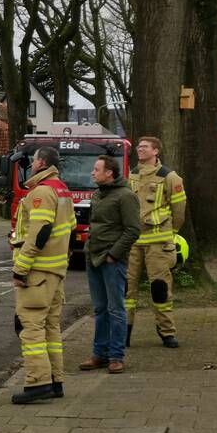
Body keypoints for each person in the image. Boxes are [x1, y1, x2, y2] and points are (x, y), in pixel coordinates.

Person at [10, 146, 75, 404]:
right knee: (51, 327)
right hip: (55, 271)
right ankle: (56, 381)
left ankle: (38, 382)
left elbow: (40, 232)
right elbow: (68, 229)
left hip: (38, 272)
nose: (32, 162)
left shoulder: (41, 192)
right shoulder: (62, 190)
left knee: (31, 327)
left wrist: (20, 268)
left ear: (41, 163)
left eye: (35, 159)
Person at [80, 155, 140, 374]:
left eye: (96, 169)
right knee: (100, 309)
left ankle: (116, 356)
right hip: (93, 257)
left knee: (116, 309)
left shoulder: (126, 196)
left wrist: (114, 254)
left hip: (111, 261)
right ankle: (99, 354)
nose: (92, 173)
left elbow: (133, 229)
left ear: (109, 173)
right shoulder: (97, 194)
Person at [126, 137, 187, 348]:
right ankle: (124, 330)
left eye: (144, 147)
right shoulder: (131, 174)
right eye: (139, 147)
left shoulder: (170, 177)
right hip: (132, 242)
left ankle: (167, 332)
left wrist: (171, 232)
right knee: (126, 289)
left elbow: (179, 211)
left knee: (160, 288)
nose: (139, 150)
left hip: (158, 243)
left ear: (156, 151)